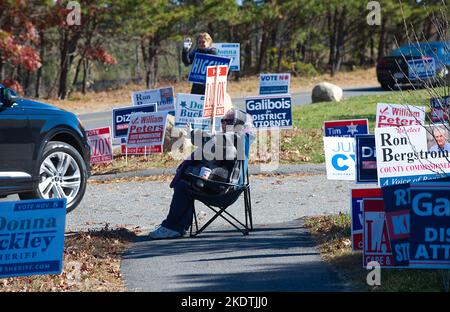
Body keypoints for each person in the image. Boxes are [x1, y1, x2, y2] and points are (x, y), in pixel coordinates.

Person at [148, 109, 254, 239]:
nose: (223, 123)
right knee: (187, 180)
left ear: (238, 123)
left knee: (184, 185)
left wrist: (192, 134)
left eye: (228, 121)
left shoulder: (234, 139)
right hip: (235, 187)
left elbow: (212, 141)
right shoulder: (244, 137)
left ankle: (172, 227)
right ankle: (178, 226)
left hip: (224, 191)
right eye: (222, 120)